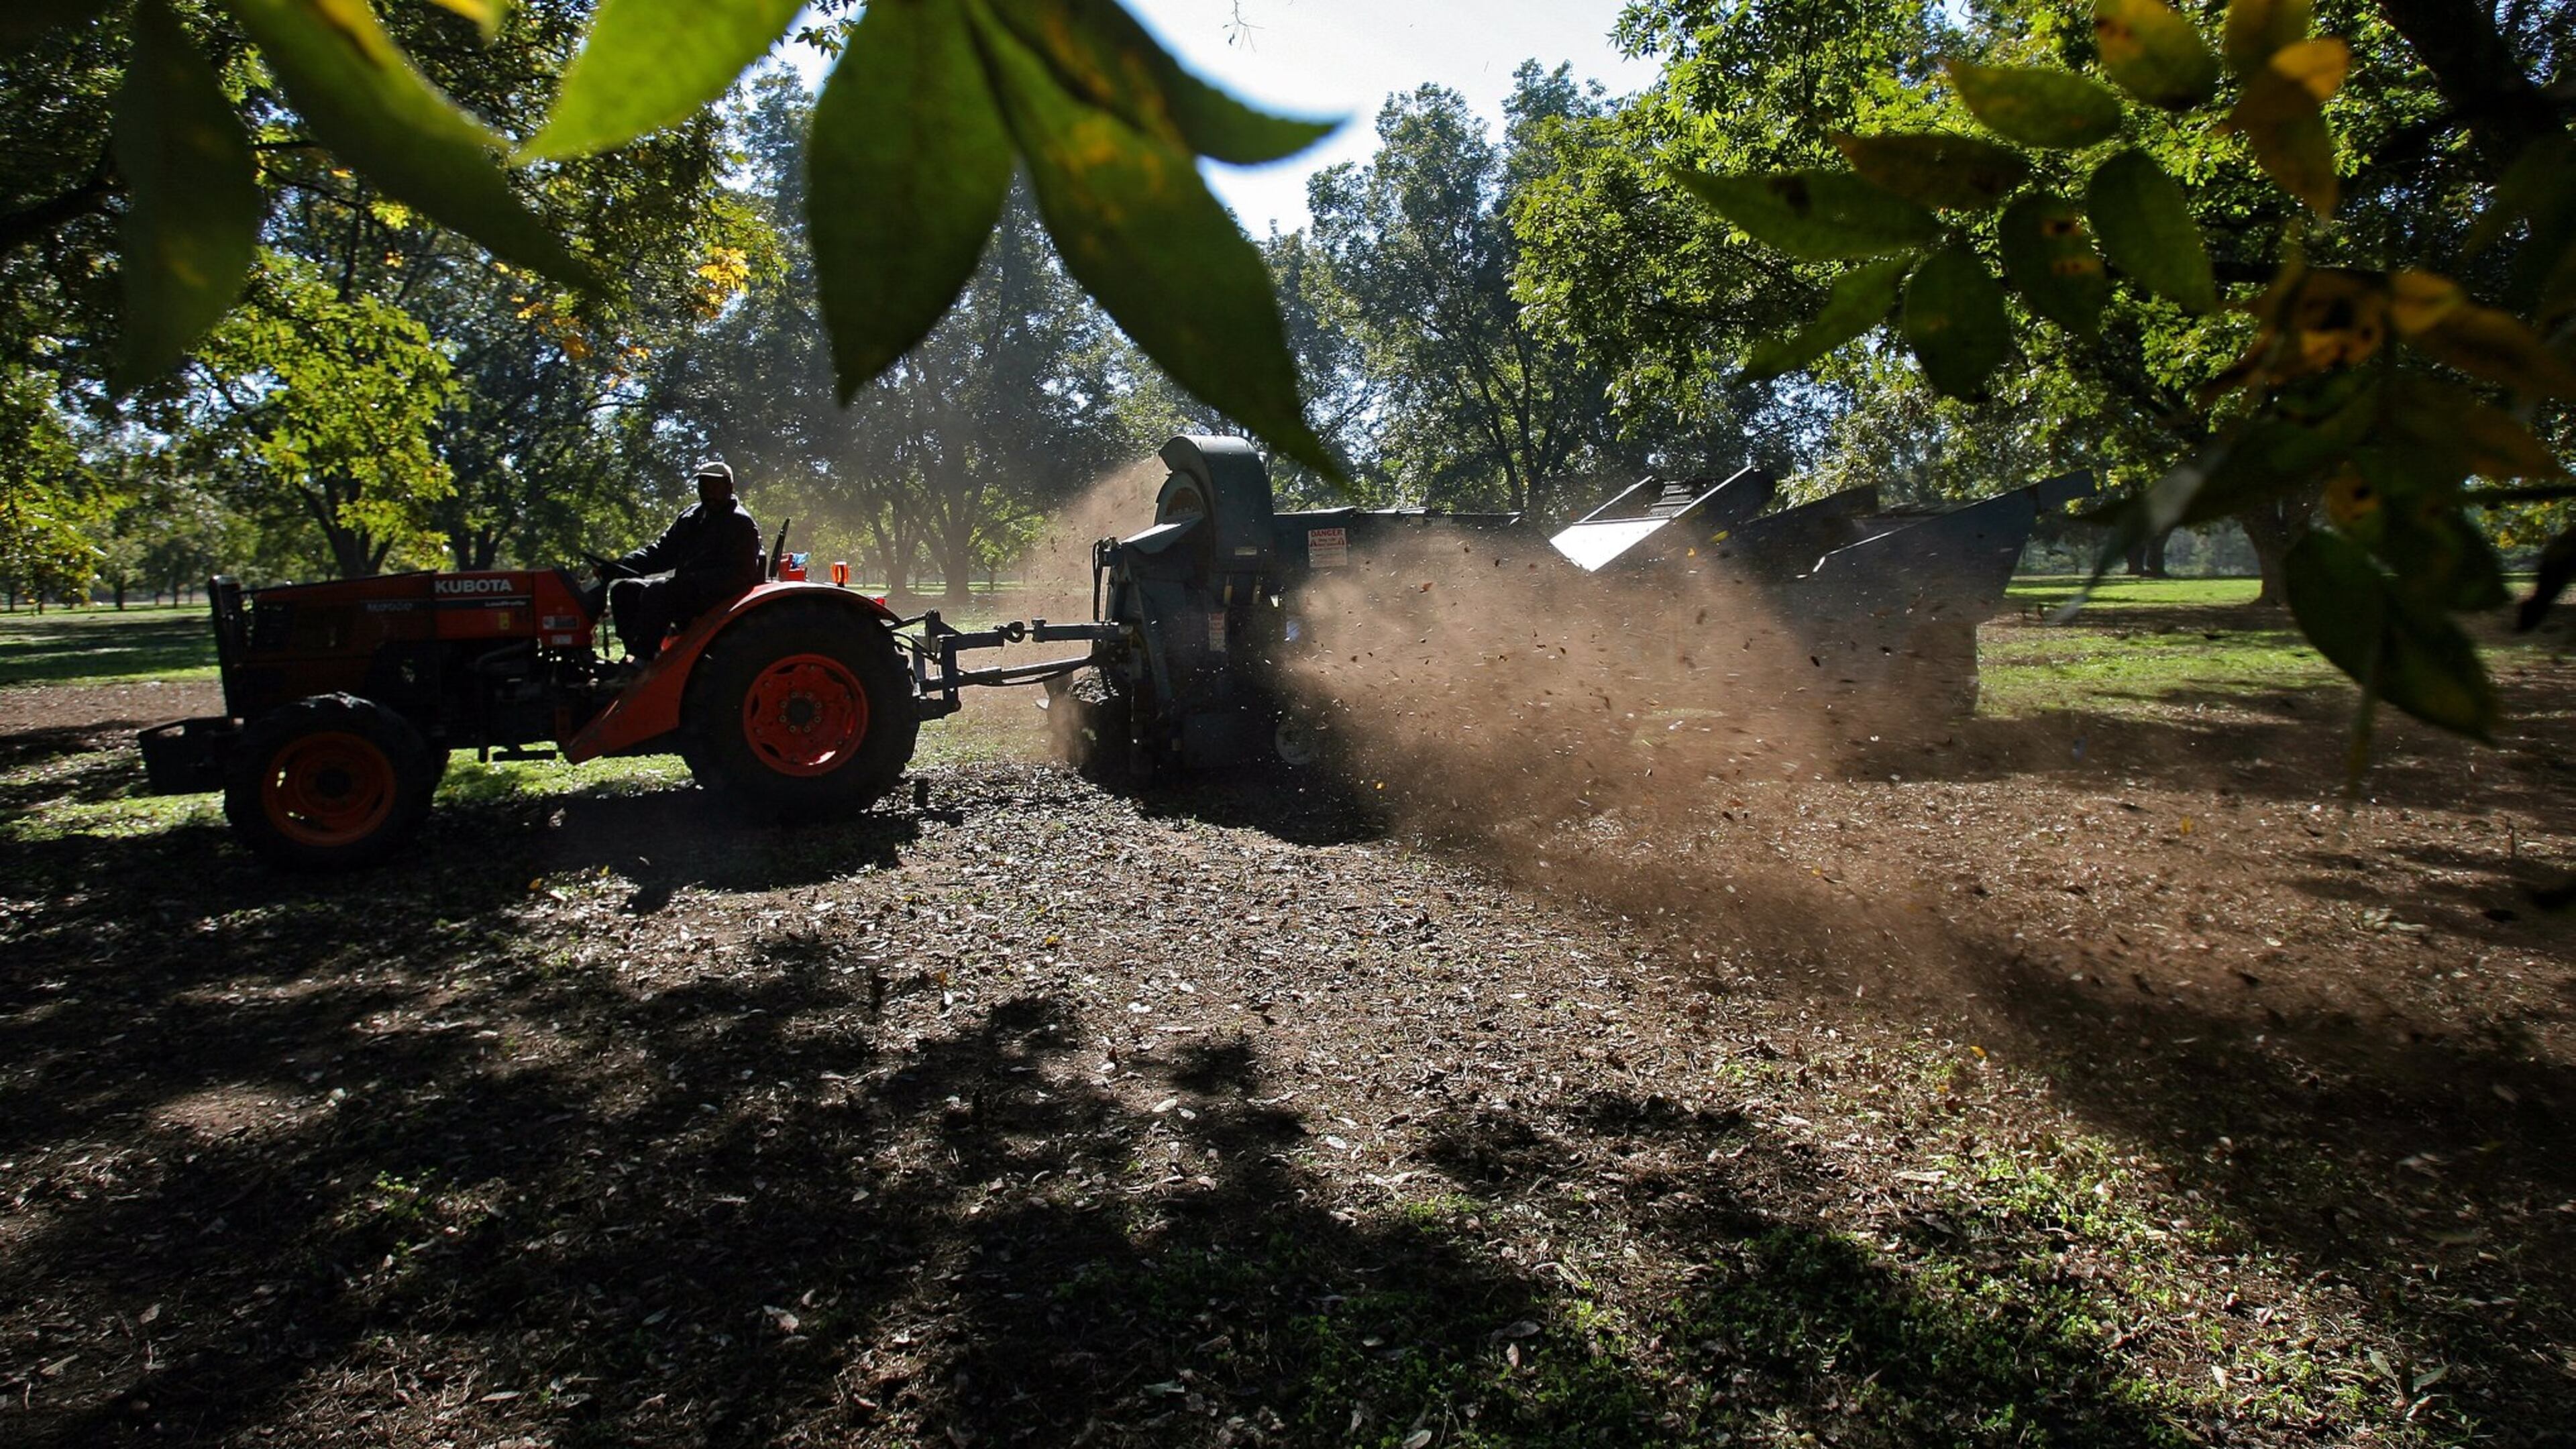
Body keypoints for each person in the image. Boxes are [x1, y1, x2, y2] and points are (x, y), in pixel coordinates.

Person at [602, 460, 763, 662]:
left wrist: (693, 581)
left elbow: (740, 574)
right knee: (624, 589)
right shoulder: (691, 517)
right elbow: (661, 553)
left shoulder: (740, 523)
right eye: (704, 486)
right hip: (687, 590)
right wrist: (621, 565)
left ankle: (644, 660)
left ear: (729, 487)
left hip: (717, 595)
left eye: (715, 486)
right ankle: (633, 656)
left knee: (659, 591)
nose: (709, 492)